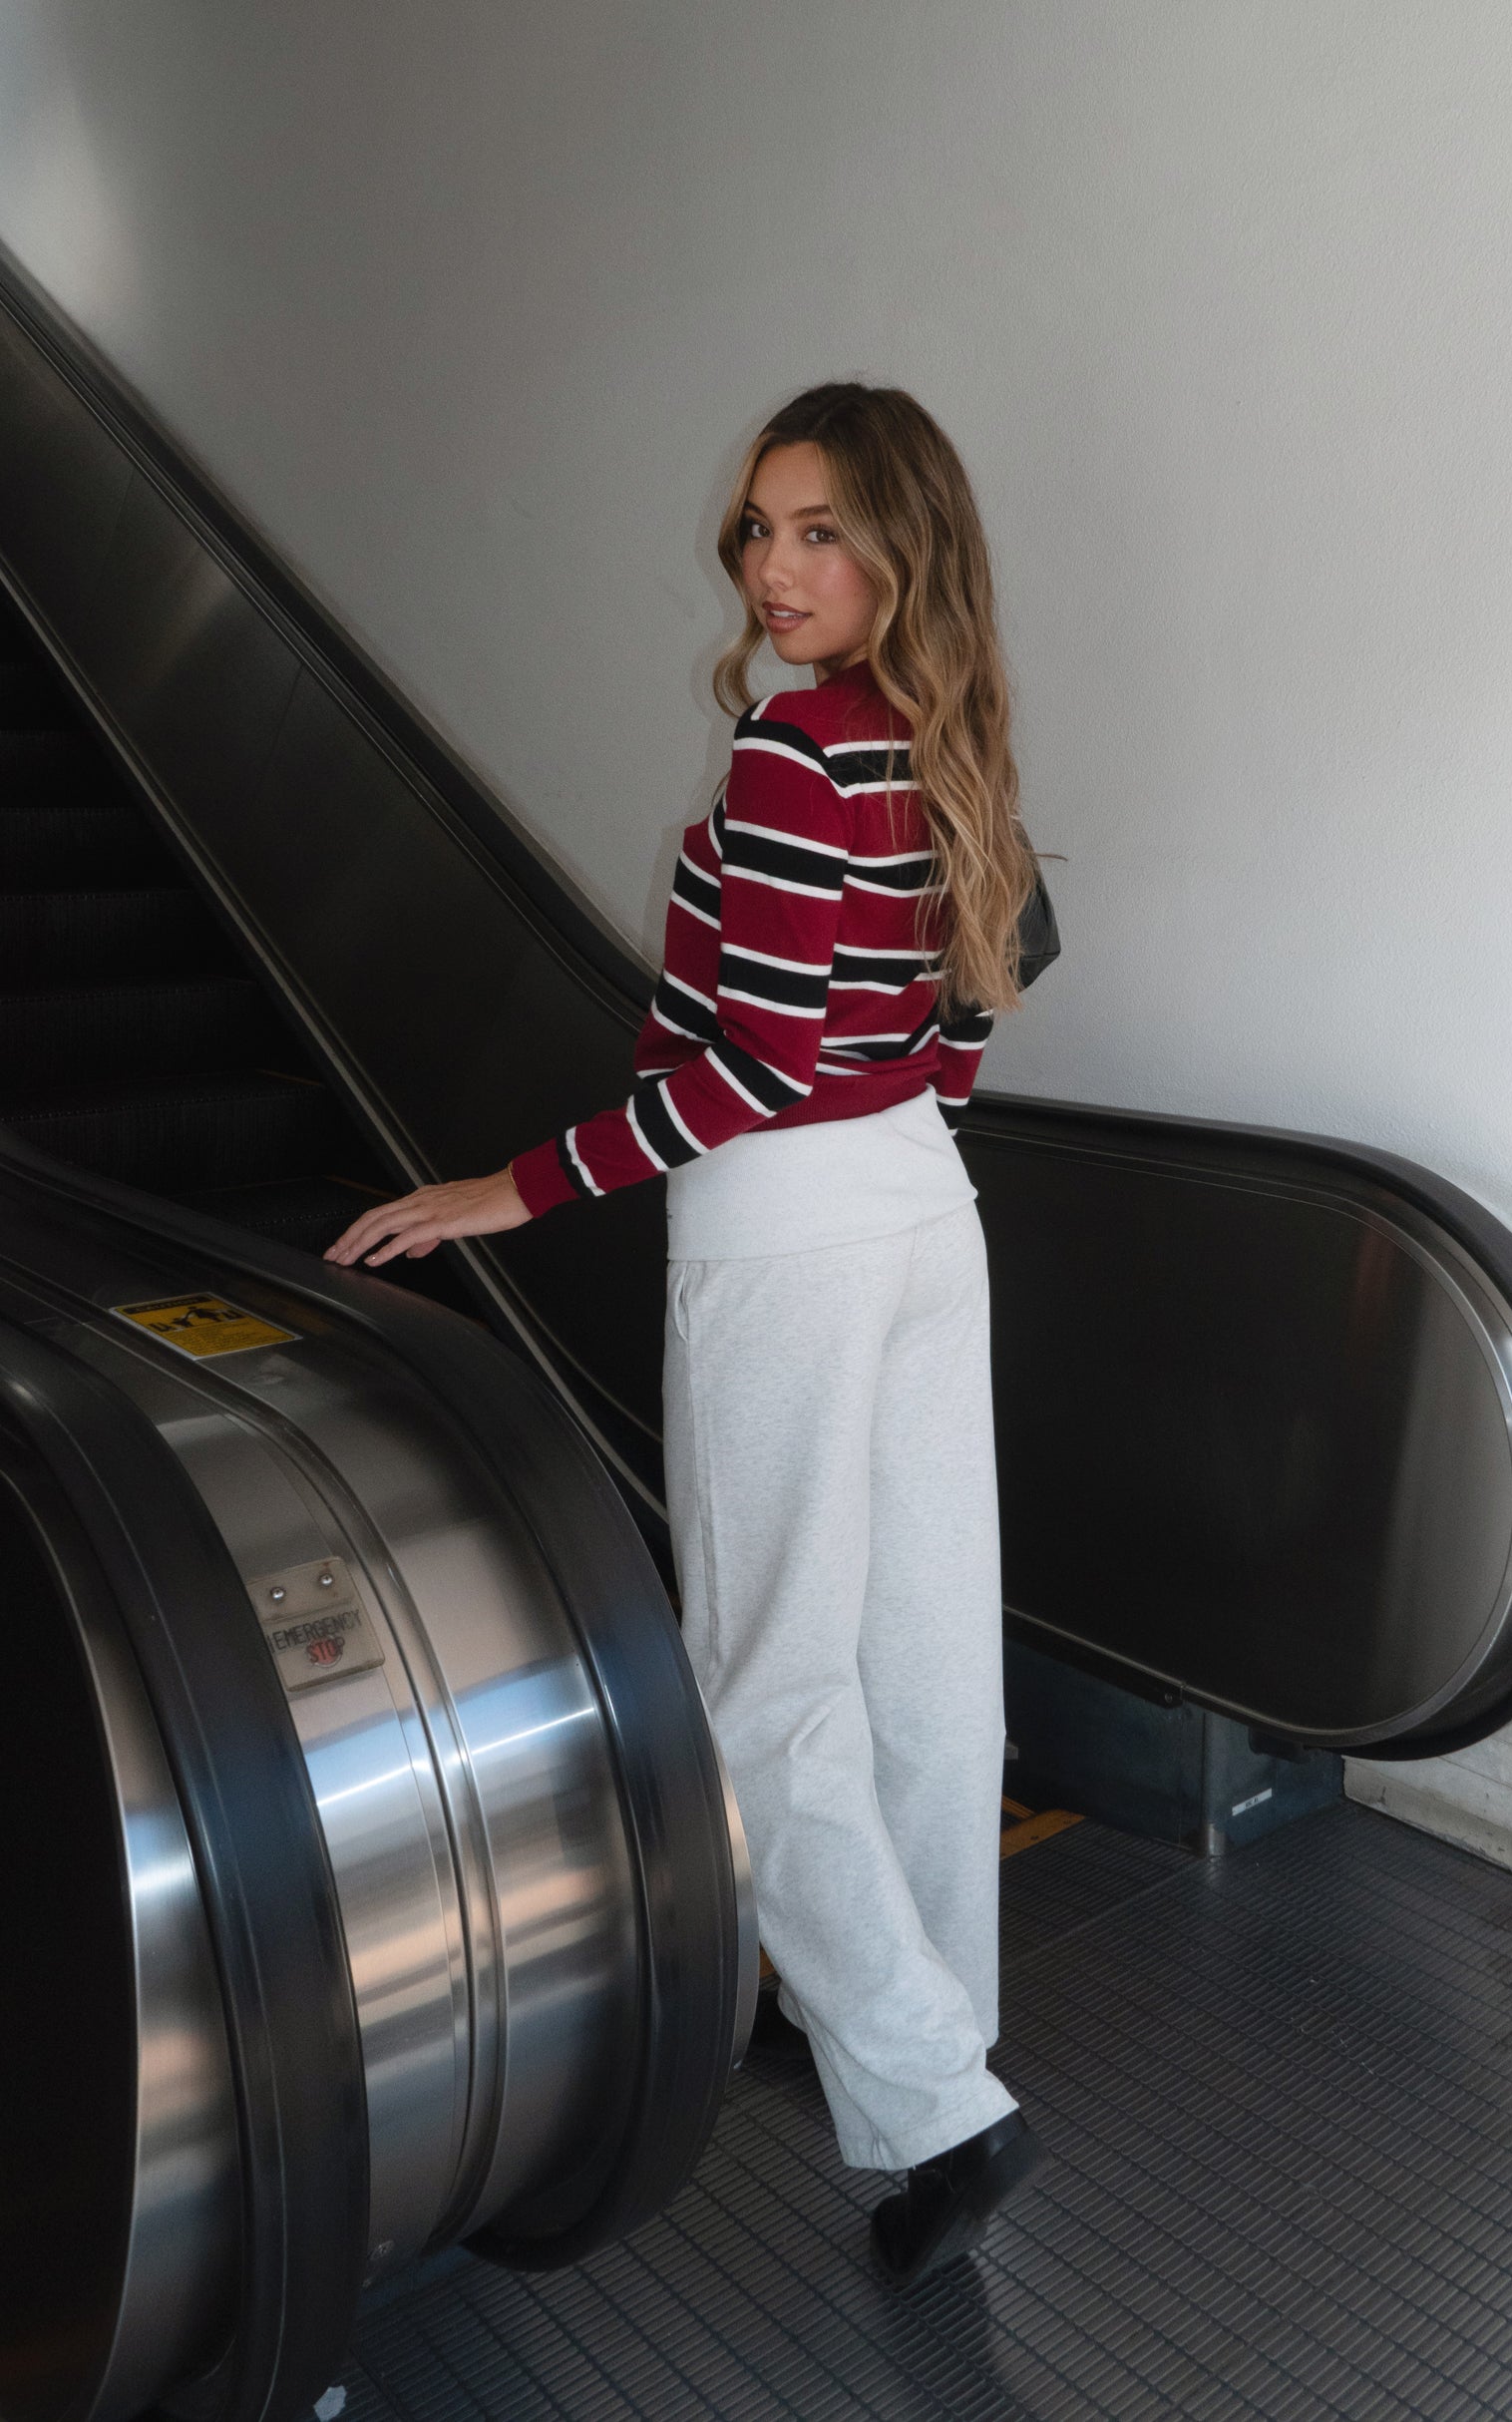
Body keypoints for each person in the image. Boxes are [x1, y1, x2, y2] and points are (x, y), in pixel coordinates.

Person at [325, 382, 1044, 2288]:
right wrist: (909, 1152)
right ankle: (935, 2052)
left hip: (796, 1218)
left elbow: (756, 1066)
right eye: (758, 531)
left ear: (901, 544)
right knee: (919, 1657)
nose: (778, 567)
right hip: (915, 1211)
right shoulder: (940, 736)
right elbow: (985, 987)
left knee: (769, 1688)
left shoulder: (801, 748)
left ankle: (935, 2096)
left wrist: (509, 1188)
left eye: (819, 530)